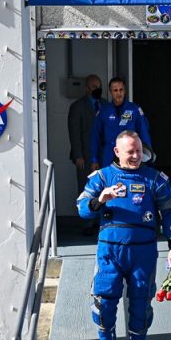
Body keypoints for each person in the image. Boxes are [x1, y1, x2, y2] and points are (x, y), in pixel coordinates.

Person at [77, 130, 171, 340]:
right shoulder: (102, 177)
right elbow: (81, 208)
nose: (136, 156)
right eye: (130, 152)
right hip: (109, 252)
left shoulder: (155, 179)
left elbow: (170, 213)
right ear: (117, 152)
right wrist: (99, 200)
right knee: (103, 306)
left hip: (143, 253)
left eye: (138, 151)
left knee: (141, 308)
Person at [68, 74, 107, 235]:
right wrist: (78, 155)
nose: (97, 89)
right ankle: (87, 223)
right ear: (86, 89)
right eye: (93, 87)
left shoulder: (105, 105)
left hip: (103, 155)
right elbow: (74, 133)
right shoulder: (77, 107)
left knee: (104, 187)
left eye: (99, 86)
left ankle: (102, 221)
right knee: (86, 188)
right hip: (84, 155)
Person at [90, 77, 153, 170]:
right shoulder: (104, 111)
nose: (118, 93)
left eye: (121, 90)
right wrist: (94, 159)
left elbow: (144, 133)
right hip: (109, 156)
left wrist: (148, 157)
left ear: (125, 91)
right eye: (115, 90)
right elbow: (95, 136)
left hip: (130, 155)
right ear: (110, 92)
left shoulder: (134, 109)